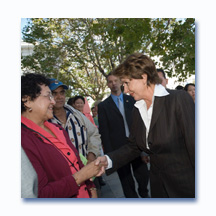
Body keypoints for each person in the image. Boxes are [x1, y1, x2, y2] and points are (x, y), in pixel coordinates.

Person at [95, 53, 195, 198]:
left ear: (143, 77)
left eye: (127, 83)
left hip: (186, 187)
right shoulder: (137, 108)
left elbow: (195, 145)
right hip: (158, 188)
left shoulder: (178, 99)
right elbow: (134, 146)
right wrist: (108, 160)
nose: (126, 90)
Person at [21, 73, 104, 198]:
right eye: (49, 96)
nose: (53, 101)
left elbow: (77, 162)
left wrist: (91, 188)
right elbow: (39, 195)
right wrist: (82, 176)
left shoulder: (58, 128)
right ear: (27, 101)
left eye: (61, 93)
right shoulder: (23, 141)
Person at [98, 73, 149, 198]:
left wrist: (144, 149)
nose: (113, 83)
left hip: (136, 145)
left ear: (121, 82)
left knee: (143, 174)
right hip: (118, 149)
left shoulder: (133, 100)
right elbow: (104, 131)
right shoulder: (103, 106)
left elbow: (142, 123)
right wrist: (110, 155)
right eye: (110, 81)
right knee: (126, 180)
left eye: (116, 80)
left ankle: (144, 194)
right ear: (107, 84)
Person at [49, 79, 104, 195]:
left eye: (62, 93)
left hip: (88, 172)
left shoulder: (76, 115)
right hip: (64, 179)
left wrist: (91, 155)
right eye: (54, 93)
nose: (59, 97)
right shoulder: (46, 120)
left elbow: (93, 133)